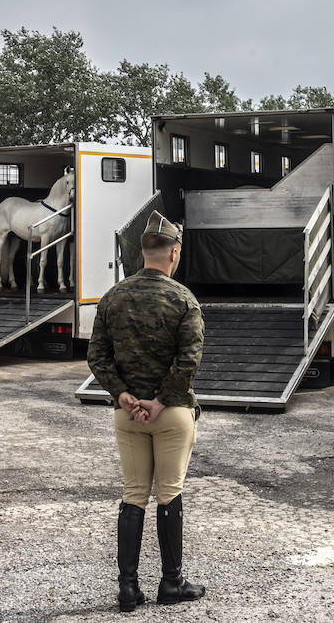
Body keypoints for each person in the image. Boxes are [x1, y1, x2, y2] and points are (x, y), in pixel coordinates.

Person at [87, 211, 206, 611]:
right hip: (170, 414)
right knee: (169, 493)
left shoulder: (113, 297)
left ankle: (128, 588)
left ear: (142, 252)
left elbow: (96, 356)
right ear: (174, 252)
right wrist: (160, 400)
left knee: (133, 493)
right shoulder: (183, 299)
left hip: (128, 414)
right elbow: (189, 361)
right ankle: (171, 583)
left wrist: (122, 394)